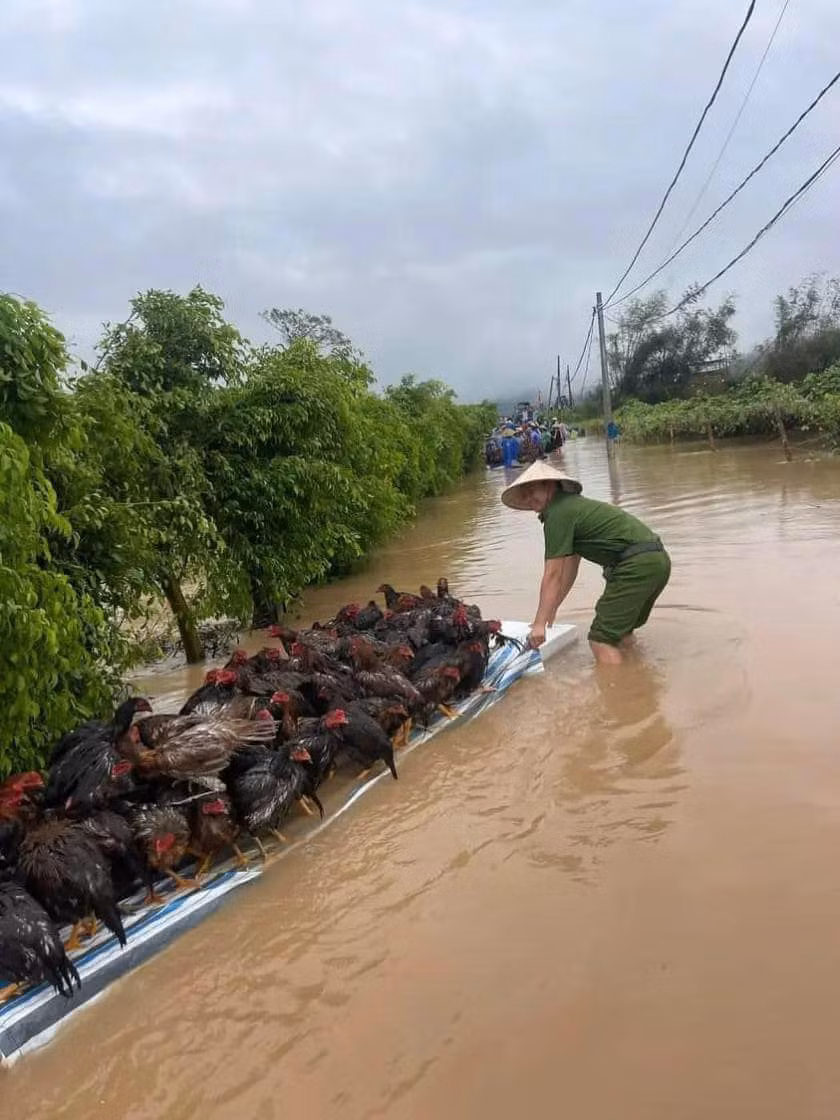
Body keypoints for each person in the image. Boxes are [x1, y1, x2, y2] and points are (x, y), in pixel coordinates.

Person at [500, 460, 670, 665]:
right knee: (620, 634)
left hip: (635, 567)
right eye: (524, 494)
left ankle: (617, 694)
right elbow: (570, 570)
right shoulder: (572, 507)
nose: (528, 498)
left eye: (531, 490)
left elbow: (552, 575)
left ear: (549, 485)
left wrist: (538, 624)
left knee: (600, 640)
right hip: (656, 561)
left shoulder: (557, 514)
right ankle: (635, 678)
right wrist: (551, 610)